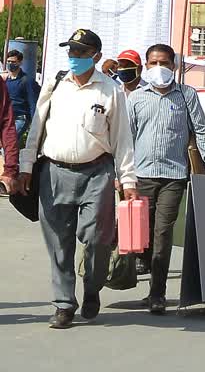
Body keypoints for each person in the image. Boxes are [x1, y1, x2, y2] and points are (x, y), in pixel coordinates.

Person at [19, 29, 138, 330]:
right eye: (71, 51)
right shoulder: (55, 84)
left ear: (96, 57)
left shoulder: (110, 90)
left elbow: (123, 139)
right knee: (58, 243)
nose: (74, 57)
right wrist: (25, 167)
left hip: (97, 174)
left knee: (98, 241)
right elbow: (36, 127)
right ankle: (63, 304)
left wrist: (129, 181)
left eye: (81, 53)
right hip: (54, 172)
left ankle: (93, 286)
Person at [128, 44, 205, 315]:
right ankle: (145, 267)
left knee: (163, 232)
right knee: (141, 235)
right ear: (145, 66)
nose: (160, 67)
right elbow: (126, 139)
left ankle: (157, 293)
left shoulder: (186, 95)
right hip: (140, 176)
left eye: (166, 63)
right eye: (154, 62)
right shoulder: (136, 98)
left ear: (175, 66)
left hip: (173, 176)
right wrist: (121, 174)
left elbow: (201, 133)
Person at [5, 50, 40, 146]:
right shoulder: (6, 81)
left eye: (13, 62)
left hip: (20, 119)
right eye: (8, 61)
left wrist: (35, 124)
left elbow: (33, 102)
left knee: (9, 144)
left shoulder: (27, 81)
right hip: (8, 119)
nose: (10, 64)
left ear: (20, 62)